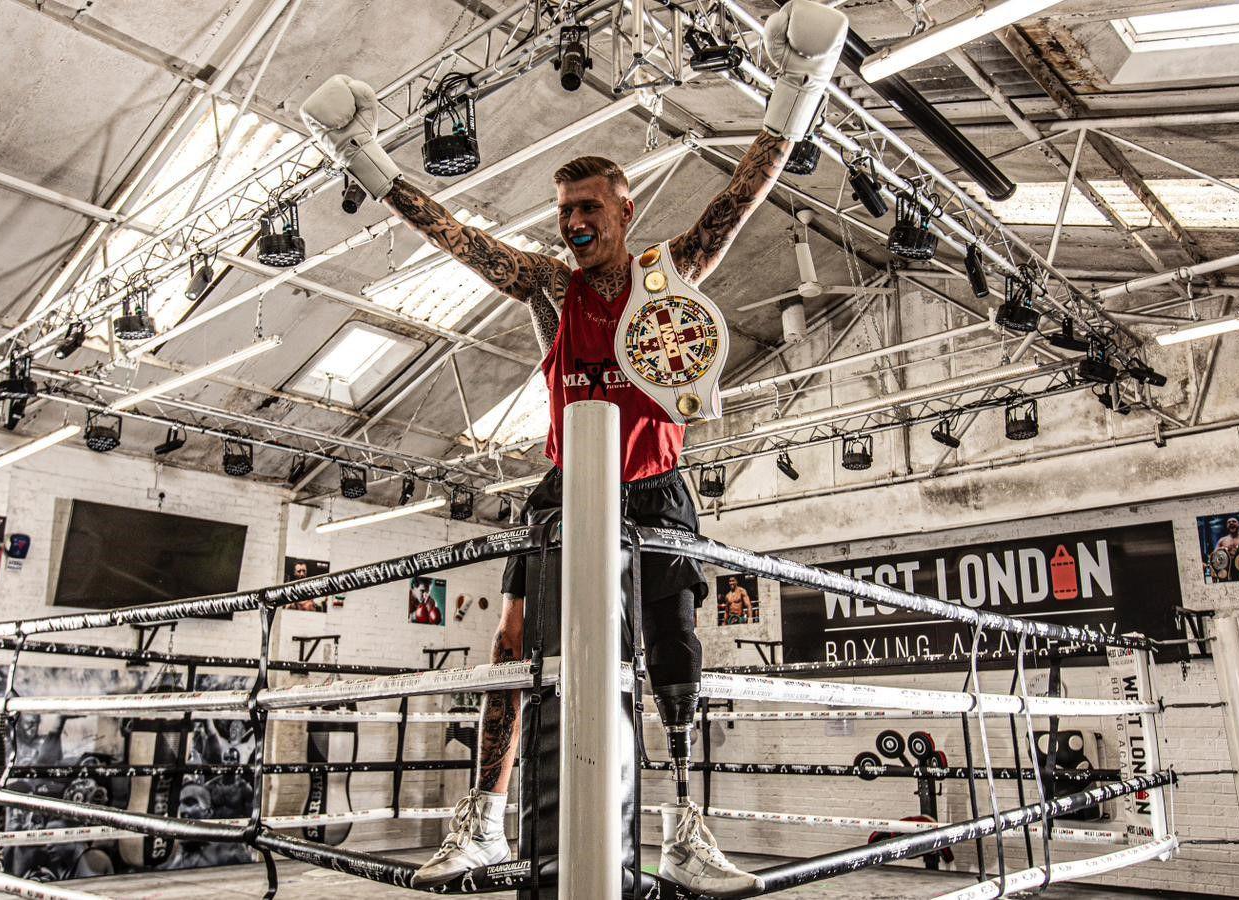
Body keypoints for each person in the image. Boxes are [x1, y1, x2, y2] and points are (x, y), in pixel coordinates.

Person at [299, 2, 846, 892]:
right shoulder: (552, 288)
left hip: (656, 487)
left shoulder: (669, 273)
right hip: (564, 488)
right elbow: (463, 241)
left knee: (676, 652)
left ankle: (685, 832)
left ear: (624, 207)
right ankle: (480, 823)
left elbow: (741, 197)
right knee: (515, 647)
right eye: (564, 209)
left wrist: (797, 87)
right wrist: (368, 163)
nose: (572, 222)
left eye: (588, 206)